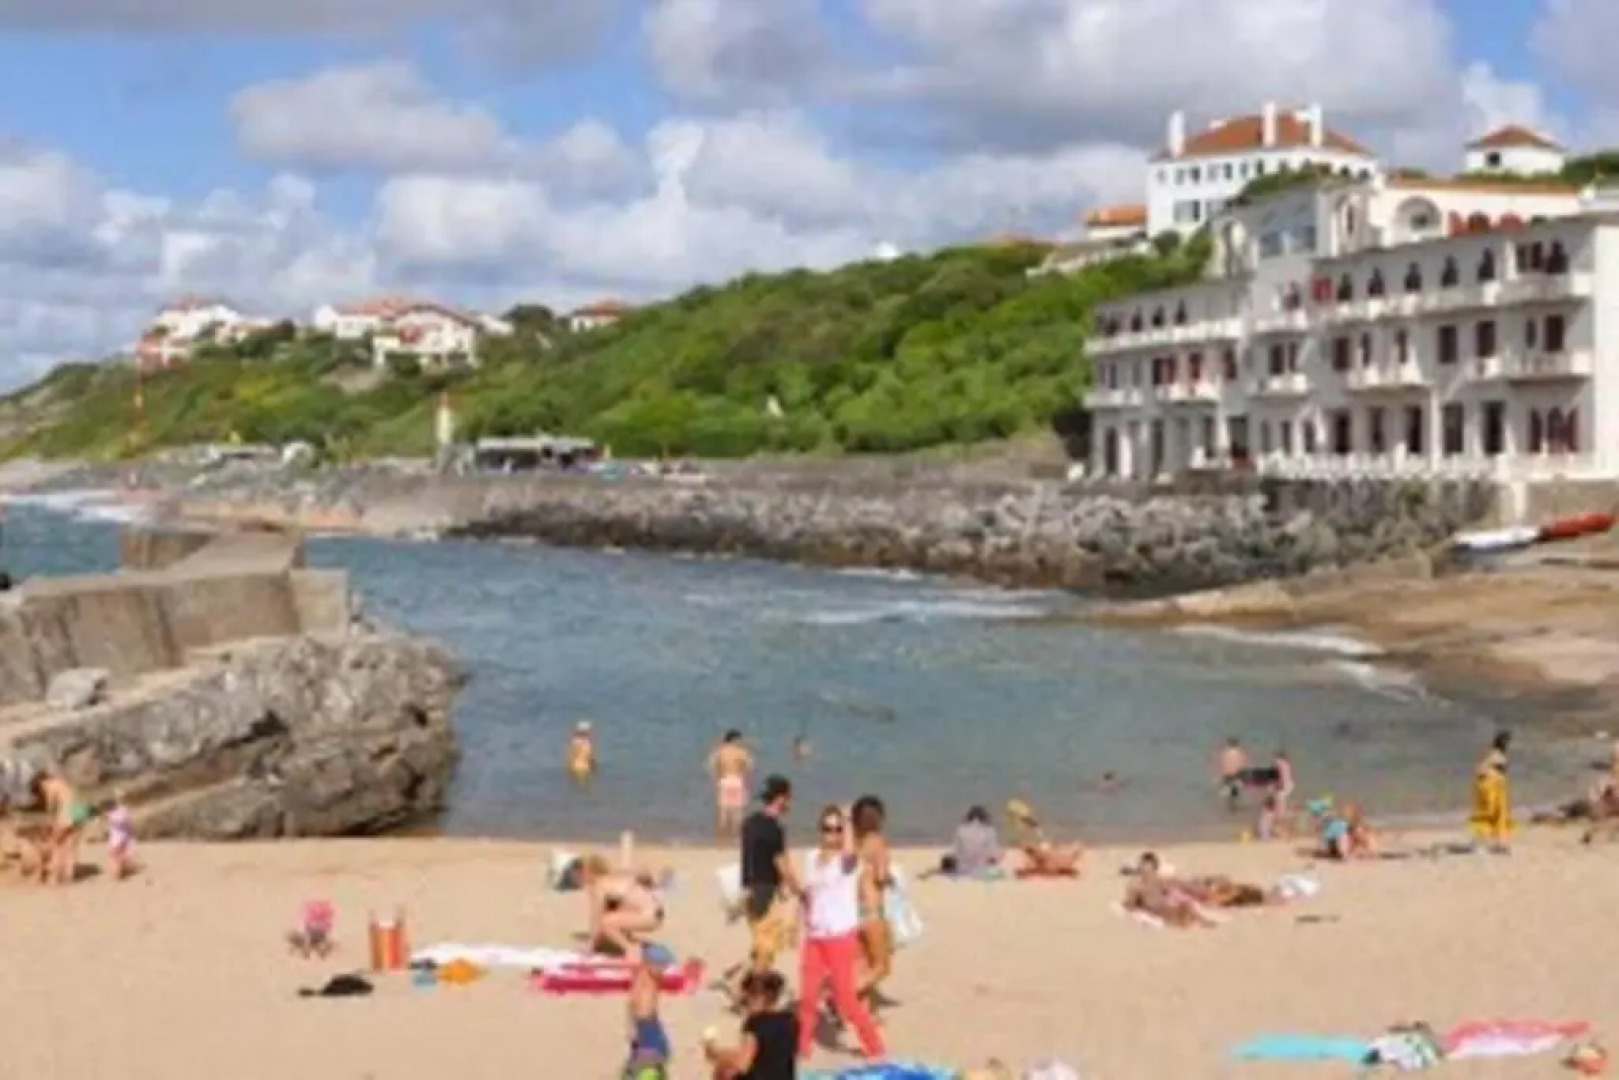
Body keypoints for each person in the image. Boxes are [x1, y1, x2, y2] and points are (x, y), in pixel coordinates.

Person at [797, 805, 885, 1061]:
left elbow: (849, 853)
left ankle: (874, 1046)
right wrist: (798, 921)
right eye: (828, 829)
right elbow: (808, 894)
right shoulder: (812, 857)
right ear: (820, 831)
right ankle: (803, 1047)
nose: (832, 835)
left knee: (846, 997)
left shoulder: (846, 862)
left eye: (837, 830)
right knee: (808, 997)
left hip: (840, 937)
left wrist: (847, 820)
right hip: (815, 935)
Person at [727, 776, 801, 1004]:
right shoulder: (774, 829)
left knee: (761, 939)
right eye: (788, 798)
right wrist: (798, 889)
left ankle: (740, 975)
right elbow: (781, 863)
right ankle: (748, 991)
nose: (790, 803)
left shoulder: (750, 823)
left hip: (749, 888)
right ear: (781, 798)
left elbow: (749, 856)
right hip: (765, 890)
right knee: (767, 946)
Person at [705, 969, 797, 1080]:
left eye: (746, 998)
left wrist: (714, 1053)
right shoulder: (790, 1020)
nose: (745, 1002)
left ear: (758, 997)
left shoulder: (755, 1023)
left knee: (724, 1070)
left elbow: (742, 1062)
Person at [580, 854, 665, 966]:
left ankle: (631, 950)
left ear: (589, 873)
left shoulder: (599, 886)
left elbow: (596, 917)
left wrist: (590, 946)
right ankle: (637, 948)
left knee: (606, 922)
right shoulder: (613, 880)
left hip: (648, 914)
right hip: (656, 912)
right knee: (615, 919)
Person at [850, 795, 893, 1011]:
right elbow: (881, 877)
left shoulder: (855, 844)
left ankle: (866, 1011)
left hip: (855, 909)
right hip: (873, 910)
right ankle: (844, 995)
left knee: (865, 963)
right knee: (882, 966)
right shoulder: (878, 842)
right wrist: (891, 880)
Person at [1122, 852, 1217, 928]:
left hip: (1165, 904)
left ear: (1154, 867)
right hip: (1155, 908)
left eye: (1149, 866)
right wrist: (1135, 908)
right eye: (1143, 865)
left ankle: (1201, 921)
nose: (1146, 868)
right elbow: (1131, 902)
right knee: (1180, 912)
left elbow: (1172, 887)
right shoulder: (1137, 883)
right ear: (1140, 867)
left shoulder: (1159, 879)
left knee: (1186, 906)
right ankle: (1194, 923)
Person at [624, 943, 677, 1078]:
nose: (664, 970)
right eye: (662, 966)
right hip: (646, 1023)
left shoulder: (645, 978)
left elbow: (632, 1005)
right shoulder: (645, 982)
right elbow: (635, 1006)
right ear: (650, 964)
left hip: (647, 1022)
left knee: (654, 1056)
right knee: (653, 1057)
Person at [32, 768, 89, 886]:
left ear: (40, 782)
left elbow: (51, 806)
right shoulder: (61, 782)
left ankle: (56, 876)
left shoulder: (49, 785)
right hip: (80, 810)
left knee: (57, 844)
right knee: (71, 845)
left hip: (68, 812)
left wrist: (50, 824)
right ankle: (69, 875)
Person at [1006, 799, 1083, 875]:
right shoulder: (1032, 831)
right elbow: (1037, 853)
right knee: (1045, 853)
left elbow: (1036, 854)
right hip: (1048, 858)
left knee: (1042, 852)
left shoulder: (1029, 832)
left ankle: (1055, 856)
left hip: (1047, 858)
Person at [1470, 731, 1512, 850]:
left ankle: (1497, 842)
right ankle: (1482, 842)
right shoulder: (1495, 755)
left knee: (1497, 813)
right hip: (1490, 785)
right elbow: (1483, 770)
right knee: (1489, 813)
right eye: (1505, 742)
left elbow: (1481, 770)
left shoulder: (1495, 755)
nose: (1507, 745)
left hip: (1494, 785)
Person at [709, 730, 754, 840]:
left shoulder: (720, 752)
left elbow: (711, 765)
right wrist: (743, 775)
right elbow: (750, 765)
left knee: (723, 811)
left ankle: (721, 837)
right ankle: (737, 837)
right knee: (737, 812)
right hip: (737, 780)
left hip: (724, 780)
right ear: (735, 739)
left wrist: (717, 777)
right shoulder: (741, 752)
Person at [944, 805, 1002, 877]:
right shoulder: (990, 831)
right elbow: (994, 855)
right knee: (999, 872)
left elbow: (954, 853)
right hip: (982, 871)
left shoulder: (960, 830)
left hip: (962, 869)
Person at [105, 791, 135, 880]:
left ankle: (117, 874)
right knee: (120, 854)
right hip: (123, 836)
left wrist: (108, 817)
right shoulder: (124, 810)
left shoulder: (118, 811)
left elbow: (120, 821)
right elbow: (128, 824)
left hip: (117, 837)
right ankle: (123, 870)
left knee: (114, 855)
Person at [1216, 737, 1247, 810]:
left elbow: (1223, 763)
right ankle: (1233, 807)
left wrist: (1222, 773)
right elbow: (1241, 764)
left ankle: (1230, 806)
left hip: (1228, 774)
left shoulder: (1225, 753)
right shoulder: (1239, 753)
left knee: (1229, 791)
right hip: (1236, 774)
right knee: (1235, 792)